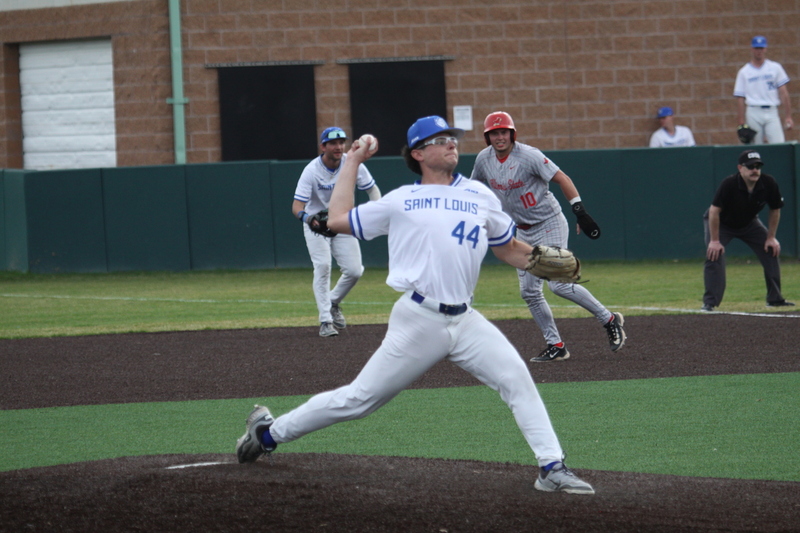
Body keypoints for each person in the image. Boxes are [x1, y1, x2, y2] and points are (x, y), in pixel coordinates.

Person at [236, 115, 595, 495]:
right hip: (420, 320)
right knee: (360, 400)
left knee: (517, 379)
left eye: (452, 138)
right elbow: (337, 219)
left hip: (466, 320)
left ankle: (551, 467)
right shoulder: (401, 200)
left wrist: (542, 261)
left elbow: (508, 249)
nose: (451, 143)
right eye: (440, 140)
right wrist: (353, 162)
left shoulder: (480, 195)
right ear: (419, 153)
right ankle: (269, 433)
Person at [471, 111, 626, 363]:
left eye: (503, 132)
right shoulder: (483, 159)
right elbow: (474, 188)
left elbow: (562, 178)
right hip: (520, 230)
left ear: (512, 134)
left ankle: (609, 319)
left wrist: (580, 212)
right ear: (487, 137)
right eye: (494, 133)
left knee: (559, 284)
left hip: (548, 223)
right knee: (530, 292)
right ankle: (556, 345)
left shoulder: (529, 155)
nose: (499, 137)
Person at [292, 127, 382, 337]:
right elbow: (296, 206)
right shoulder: (311, 170)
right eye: (333, 143)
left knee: (355, 270)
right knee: (322, 266)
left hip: (341, 221)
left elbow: (372, 189)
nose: (339, 146)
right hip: (317, 224)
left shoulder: (351, 164)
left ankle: (332, 302)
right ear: (323, 147)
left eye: (342, 142)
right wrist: (308, 218)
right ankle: (325, 320)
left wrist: (376, 210)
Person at [702, 149, 794, 311]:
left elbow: (775, 209)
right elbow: (714, 211)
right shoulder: (729, 184)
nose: (755, 170)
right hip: (722, 223)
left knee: (771, 250)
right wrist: (715, 241)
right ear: (740, 168)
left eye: (758, 166)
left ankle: (775, 299)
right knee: (714, 254)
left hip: (749, 223)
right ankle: (710, 302)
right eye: (750, 166)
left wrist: (771, 237)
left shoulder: (768, 183)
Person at [733, 35, 793, 144]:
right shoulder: (744, 72)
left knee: (778, 144)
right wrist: (740, 121)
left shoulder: (775, 68)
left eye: (761, 48)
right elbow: (740, 98)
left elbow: (784, 92)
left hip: (772, 110)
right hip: (753, 110)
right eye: (756, 48)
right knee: (756, 146)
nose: (759, 51)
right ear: (752, 49)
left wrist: (788, 116)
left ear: (765, 49)